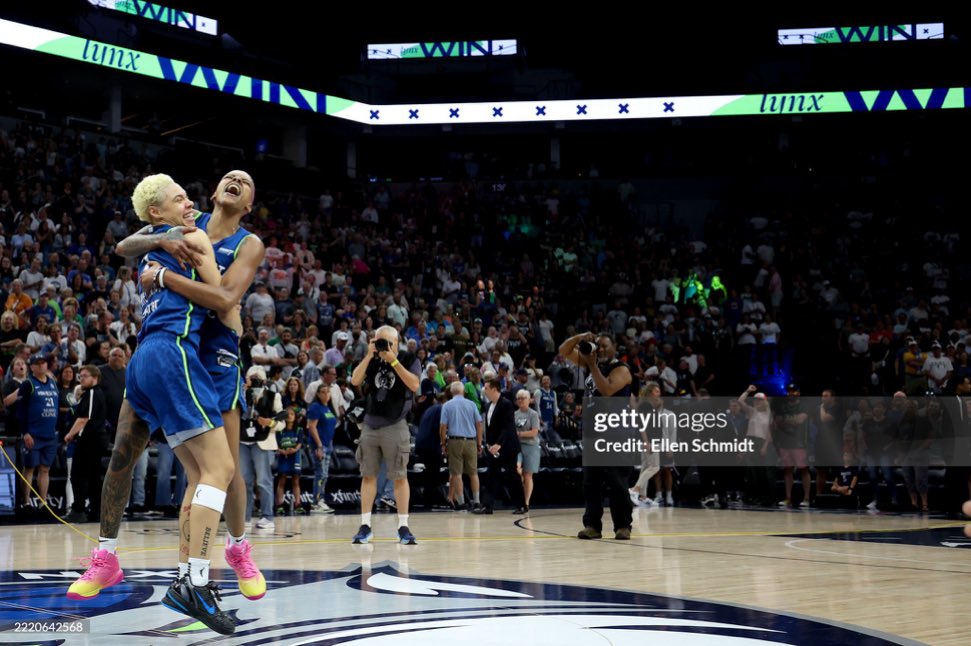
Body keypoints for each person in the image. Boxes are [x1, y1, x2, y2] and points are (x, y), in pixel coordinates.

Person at [70, 171, 268, 610]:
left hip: (215, 355)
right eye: (229, 176)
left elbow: (226, 300)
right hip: (174, 350)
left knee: (225, 470)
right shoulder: (185, 224)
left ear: (249, 204)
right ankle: (175, 575)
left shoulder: (248, 243)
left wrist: (163, 277)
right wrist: (160, 240)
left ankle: (237, 547)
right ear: (211, 193)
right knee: (152, 463)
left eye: (245, 181)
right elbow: (125, 244)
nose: (236, 179)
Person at [349, 325, 421, 545]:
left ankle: (403, 526)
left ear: (396, 343)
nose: (382, 346)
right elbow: (355, 380)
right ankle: (365, 525)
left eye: (386, 342)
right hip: (370, 424)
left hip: (395, 424)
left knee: (399, 475)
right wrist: (369, 355)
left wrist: (393, 361)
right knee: (368, 475)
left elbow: (414, 384)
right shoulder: (372, 359)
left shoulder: (409, 359)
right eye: (378, 341)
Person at [560, 331, 634, 540]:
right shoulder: (590, 364)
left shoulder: (621, 369)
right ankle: (592, 525)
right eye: (597, 345)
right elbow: (563, 350)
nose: (599, 349)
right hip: (594, 432)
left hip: (617, 432)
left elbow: (607, 390)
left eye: (604, 346)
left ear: (615, 348)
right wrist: (580, 338)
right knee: (591, 483)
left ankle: (623, 526)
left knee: (617, 482)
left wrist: (592, 365)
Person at [473, 376, 526, 514]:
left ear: (494, 389)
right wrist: (489, 444)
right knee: (491, 475)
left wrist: (499, 444)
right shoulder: (487, 406)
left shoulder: (506, 404)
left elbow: (507, 427)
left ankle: (521, 505)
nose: (484, 390)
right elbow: (490, 428)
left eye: (486, 388)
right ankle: (487, 506)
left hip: (507, 446)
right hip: (493, 448)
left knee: (512, 475)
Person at [63, 365, 108, 523]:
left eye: (84, 376)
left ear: (95, 378)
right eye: (80, 376)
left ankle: (78, 510)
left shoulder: (93, 393)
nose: (81, 379)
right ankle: (95, 511)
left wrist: (70, 434)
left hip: (90, 440)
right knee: (93, 476)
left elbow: (83, 419)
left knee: (78, 475)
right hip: (94, 440)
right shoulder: (90, 394)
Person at [16, 353, 60, 510]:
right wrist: (25, 432)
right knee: (29, 468)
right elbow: (20, 410)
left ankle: (43, 503)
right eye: (38, 363)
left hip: (50, 434)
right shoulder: (28, 384)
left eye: (44, 363)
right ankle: (26, 503)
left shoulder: (53, 383)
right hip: (33, 434)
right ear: (32, 366)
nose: (42, 365)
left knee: (45, 469)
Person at [439, 380, 484, 510]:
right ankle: (477, 501)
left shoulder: (447, 405)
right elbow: (479, 424)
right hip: (471, 440)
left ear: (451, 391)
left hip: (455, 441)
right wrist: (479, 443)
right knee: (473, 473)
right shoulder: (472, 404)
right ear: (463, 391)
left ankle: (461, 502)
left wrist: (443, 443)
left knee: (457, 473)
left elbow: (443, 426)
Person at [306, 384, 338, 513]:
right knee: (320, 473)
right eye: (323, 392)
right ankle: (316, 502)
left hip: (327, 444)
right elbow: (312, 427)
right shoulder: (315, 407)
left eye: (328, 392)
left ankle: (321, 500)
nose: (326, 394)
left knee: (324, 474)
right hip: (319, 445)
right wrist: (319, 445)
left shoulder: (328, 408)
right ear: (318, 394)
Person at [514, 389, 541, 510]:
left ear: (529, 400)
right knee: (517, 470)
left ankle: (526, 502)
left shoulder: (533, 414)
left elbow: (534, 432)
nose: (520, 400)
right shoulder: (514, 414)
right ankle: (519, 499)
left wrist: (519, 434)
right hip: (517, 446)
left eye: (523, 398)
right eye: (518, 398)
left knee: (528, 475)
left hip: (531, 446)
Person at [274, 407, 304, 514]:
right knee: (282, 480)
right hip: (283, 456)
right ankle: (279, 505)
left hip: (295, 456)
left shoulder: (299, 429)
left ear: (295, 416)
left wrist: (294, 449)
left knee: (296, 480)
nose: (290, 416)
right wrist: (281, 451)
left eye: (292, 414)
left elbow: (300, 443)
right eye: (287, 414)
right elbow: (276, 444)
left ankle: (298, 504)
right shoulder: (280, 430)